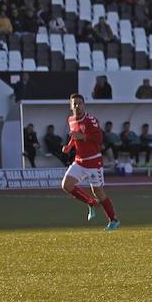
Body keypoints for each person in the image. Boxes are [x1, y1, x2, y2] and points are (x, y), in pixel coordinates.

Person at [60, 94, 120, 231]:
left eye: (80, 103)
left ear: (84, 105)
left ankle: (113, 220)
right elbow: (74, 137)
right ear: (70, 106)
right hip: (79, 161)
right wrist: (69, 147)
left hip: (93, 162)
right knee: (66, 185)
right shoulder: (70, 120)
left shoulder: (90, 120)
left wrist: (83, 136)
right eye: (74, 103)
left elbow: (98, 139)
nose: (77, 106)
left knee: (98, 191)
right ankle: (91, 203)